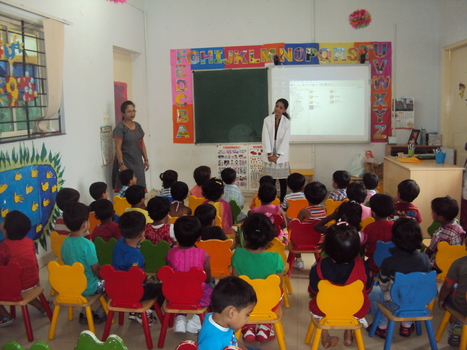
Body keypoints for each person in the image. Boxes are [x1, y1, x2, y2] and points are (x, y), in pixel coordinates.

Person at [309, 223, 373, 348]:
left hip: (325, 309)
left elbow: (313, 291)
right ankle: (348, 334)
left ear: (328, 247)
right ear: (357, 248)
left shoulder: (319, 266)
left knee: (316, 303)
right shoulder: (363, 266)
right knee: (357, 301)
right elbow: (367, 289)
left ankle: (325, 336)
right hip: (355, 309)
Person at [369, 218, 431, 338]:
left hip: (396, 304)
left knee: (371, 292)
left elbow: (383, 286)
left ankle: (381, 327)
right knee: (412, 292)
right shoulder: (425, 258)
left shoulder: (389, 262)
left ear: (395, 239)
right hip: (419, 302)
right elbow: (426, 282)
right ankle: (406, 326)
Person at [231, 213, 284, 343]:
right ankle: (265, 326)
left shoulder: (238, 254)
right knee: (278, 293)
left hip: (244, 301)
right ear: (269, 237)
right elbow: (279, 285)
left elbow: (235, 282)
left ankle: (247, 325)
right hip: (269, 301)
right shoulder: (276, 258)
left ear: (246, 235)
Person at [0, 211, 52, 327]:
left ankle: (5, 316)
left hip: (18, 287)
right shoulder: (29, 242)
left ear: (5, 229)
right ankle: (42, 306)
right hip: (33, 281)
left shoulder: (3, 247)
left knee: (16, 285)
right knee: (22, 284)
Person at [112, 211, 163, 326]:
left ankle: (134, 311)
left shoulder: (119, 242)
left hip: (116, 288)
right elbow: (138, 279)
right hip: (133, 292)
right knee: (160, 288)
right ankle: (143, 311)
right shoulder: (137, 257)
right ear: (142, 233)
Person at [166, 216, 214, 334]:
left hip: (174, 294)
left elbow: (169, 275)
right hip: (197, 294)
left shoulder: (170, 253)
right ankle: (196, 319)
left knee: (179, 289)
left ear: (176, 237)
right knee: (213, 288)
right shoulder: (203, 254)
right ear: (198, 238)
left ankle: (180, 319)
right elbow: (207, 278)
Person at [60, 202, 107, 324]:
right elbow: (96, 270)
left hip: (72, 286)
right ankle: (101, 311)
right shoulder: (87, 244)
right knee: (113, 283)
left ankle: (84, 313)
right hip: (89, 287)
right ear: (85, 224)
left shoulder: (65, 242)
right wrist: (107, 276)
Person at [198, 276, 258, 350]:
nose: (247, 319)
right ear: (231, 313)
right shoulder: (213, 342)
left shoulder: (216, 318)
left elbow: (233, 340)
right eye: (247, 314)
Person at [113, 100, 149, 190]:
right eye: (129, 111)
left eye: (133, 111)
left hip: (138, 162)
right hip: (126, 162)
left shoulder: (137, 125)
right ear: (123, 113)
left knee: (140, 187)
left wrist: (146, 159)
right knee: (127, 188)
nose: (132, 113)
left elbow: (142, 144)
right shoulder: (120, 128)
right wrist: (121, 164)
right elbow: (118, 148)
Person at [437, 237, 467, 347]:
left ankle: (456, 326)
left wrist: (441, 299)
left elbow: (447, 286)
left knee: (453, 293)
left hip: (462, 305)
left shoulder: (459, 263)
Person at [261, 98, 291, 203]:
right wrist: (269, 154)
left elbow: (285, 141)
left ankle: (283, 201)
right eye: (276, 106)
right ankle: (271, 200)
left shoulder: (287, 122)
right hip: (269, 153)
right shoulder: (267, 120)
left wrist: (277, 155)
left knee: (283, 180)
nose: (277, 109)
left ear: (285, 110)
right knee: (270, 180)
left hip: (281, 155)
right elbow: (265, 138)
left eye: (281, 107)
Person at [295, 181, 327, 270]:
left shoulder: (304, 211)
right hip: (320, 241)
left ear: (306, 196)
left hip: (304, 241)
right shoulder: (324, 209)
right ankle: (318, 261)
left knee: (294, 235)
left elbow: (297, 226)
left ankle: (299, 261)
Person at [425, 196, 466, 266]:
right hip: (455, 263)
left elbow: (429, 252)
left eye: (433, 211)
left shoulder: (439, 234)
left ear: (440, 217)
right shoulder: (459, 227)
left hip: (440, 266)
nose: (431, 213)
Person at [363, 194, 395, 274]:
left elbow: (366, 246)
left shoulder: (369, 228)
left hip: (373, 266)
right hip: (392, 266)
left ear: (373, 213)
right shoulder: (396, 227)